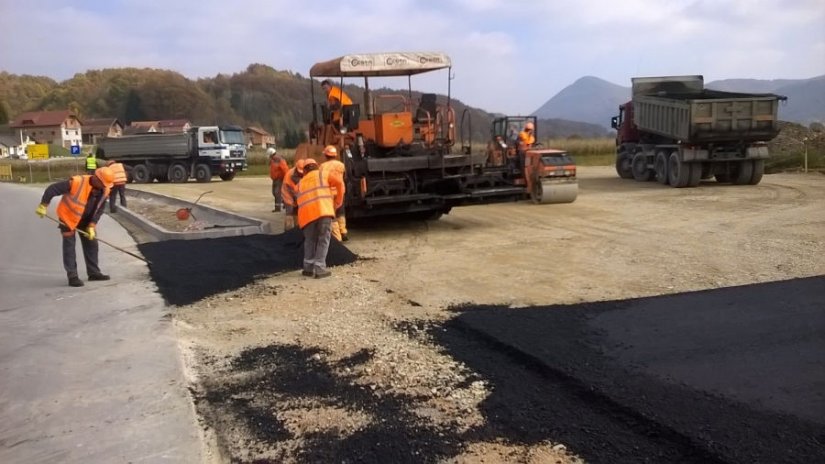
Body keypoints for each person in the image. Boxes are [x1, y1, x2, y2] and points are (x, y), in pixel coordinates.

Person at [35, 166, 116, 287]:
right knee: (69, 246)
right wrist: (43, 205)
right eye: (103, 184)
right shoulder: (77, 182)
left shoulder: (105, 190)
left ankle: (94, 273)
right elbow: (52, 189)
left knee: (92, 243)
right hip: (68, 219)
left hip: (86, 221)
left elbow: (100, 209)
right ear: (96, 178)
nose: (104, 186)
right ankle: (72, 276)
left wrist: (92, 225)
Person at [295, 158, 344, 279]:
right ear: (316, 166)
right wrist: (338, 201)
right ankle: (320, 269)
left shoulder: (299, 184)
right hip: (323, 212)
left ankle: (308, 268)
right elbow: (339, 183)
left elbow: (297, 201)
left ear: (304, 171)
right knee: (323, 239)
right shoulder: (324, 174)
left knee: (310, 241)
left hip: (307, 217)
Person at [321, 145, 348, 241]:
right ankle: (343, 231)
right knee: (341, 212)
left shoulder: (323, 166)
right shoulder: (341, 165)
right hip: (340, 191)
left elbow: (322, 179)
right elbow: (344, 177)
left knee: (333, 215)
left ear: (326, 155)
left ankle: (337, 238)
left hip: (330, 193)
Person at [280, 159, 307, 231]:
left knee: (297, 214)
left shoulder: (306, 174)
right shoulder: (289, 175)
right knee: (289, 214)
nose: (301, 173)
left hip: (298, 196)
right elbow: (291, 191)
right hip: (288, 196)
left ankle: (297, 229)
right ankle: (287, 231)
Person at [268, 147, 288, 212]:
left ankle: (278, 208)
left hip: (279, 179)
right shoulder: (273, 160)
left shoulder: (279, 159)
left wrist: (286, 177)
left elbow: (284, 169)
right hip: (275, 179)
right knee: (274, 193)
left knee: (277, 193)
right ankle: (285, 203)